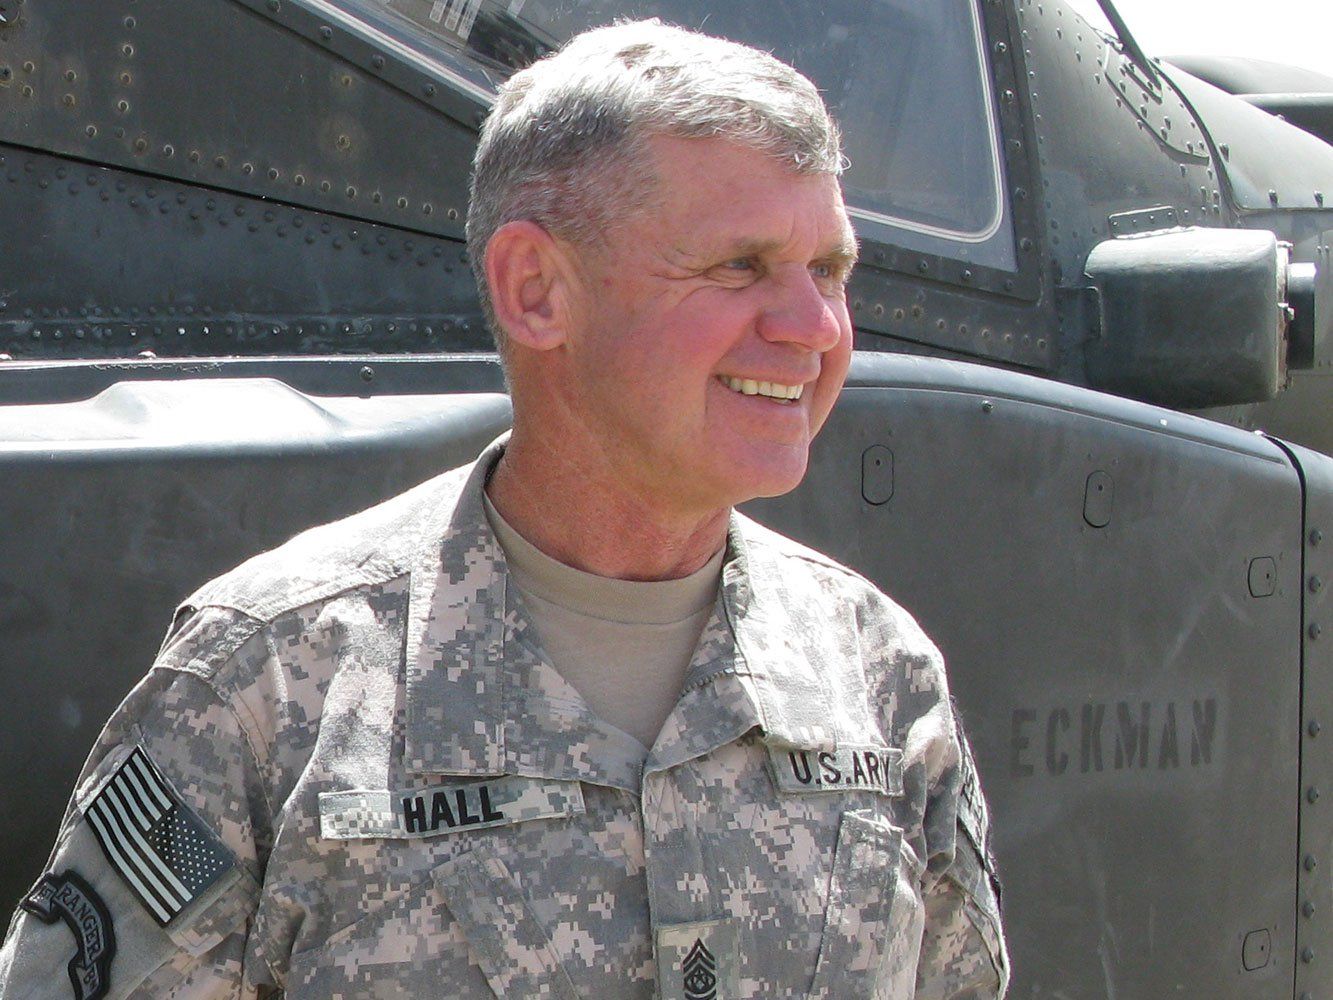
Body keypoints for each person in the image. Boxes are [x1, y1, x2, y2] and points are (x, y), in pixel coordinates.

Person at [0, 19, 1007, 999]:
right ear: (536, 290)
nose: (814, 327)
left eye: (828, 271)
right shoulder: (265, 682)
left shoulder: (878, 673)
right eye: (737, 265)